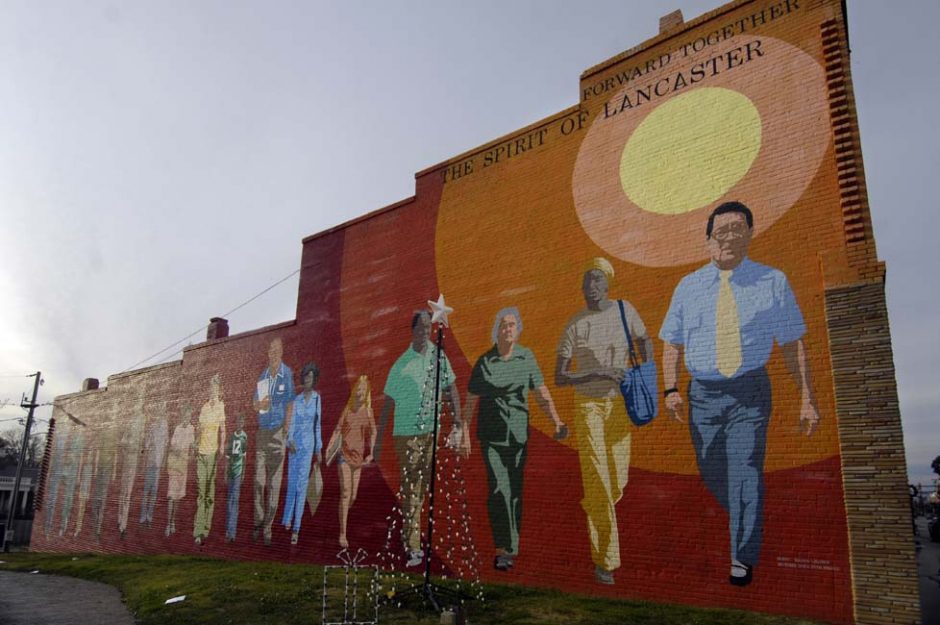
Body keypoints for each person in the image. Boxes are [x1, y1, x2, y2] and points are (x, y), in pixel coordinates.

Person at [660, 201, 819, 587]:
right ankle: (748, 516)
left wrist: (807, 398)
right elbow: (672, 344)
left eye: (737, 229)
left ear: (749, 234)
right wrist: (670, 388)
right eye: (721, 231)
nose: (729, 237)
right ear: (708, 240)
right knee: (713, 469)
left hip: (750, 391)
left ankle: (742, 557)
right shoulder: (688, 286)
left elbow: (792, 344)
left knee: (745, 470)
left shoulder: (772, 282)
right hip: (703, 395)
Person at [555, 257, 652, 585]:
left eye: (596, 280)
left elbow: (644, 340)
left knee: (616, 482)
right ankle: (605, 561)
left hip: (620, 405)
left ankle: (595, 501)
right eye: (586, 282)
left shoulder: (626, 311)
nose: (591, 286)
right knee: (598, 479)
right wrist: (597, 372)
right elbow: (560, 376)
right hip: (589, 408)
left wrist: (645, 372)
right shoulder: (575, 325)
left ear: (607, 283)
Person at [461, 307, 567, 571]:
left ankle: (512, 546)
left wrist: (556, 420)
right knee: (499, 489)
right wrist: (463, 432)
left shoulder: (526, 357)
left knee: (515, 493)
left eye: (512, 325)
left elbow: (541, 393)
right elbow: (470, 402)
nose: (508, 329)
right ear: (496, 330)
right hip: (492, 436)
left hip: (518, 434)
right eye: (503, 325)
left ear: (518, 331)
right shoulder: (485, 362)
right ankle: (502, 549)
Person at [375, 310, 462, 568]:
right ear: (413, 330)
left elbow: (451, 388)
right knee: (412, 488)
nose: (425, 331)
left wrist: (457, 421)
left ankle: (410, 536)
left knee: (421, 489)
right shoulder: (401, 364)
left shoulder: (439, 357)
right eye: (421, 327)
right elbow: (388, 405)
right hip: (406, 434)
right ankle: (412, 546)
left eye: (428, 327)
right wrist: (379, 441)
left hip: (429, 433)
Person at [252, 337, 295, 545]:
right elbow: (255, 405)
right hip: (262, 433)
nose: (274, 353)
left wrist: (286, 429)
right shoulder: (262, 377)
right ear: (268, 353)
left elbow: (290, 402)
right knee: (259, 481)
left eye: (278, 350)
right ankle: (259, 521)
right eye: (271, 350)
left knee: (274, 485)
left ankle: (267, 527)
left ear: (282, 352)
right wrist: (260, 403)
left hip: (278, 433)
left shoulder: (286, 374)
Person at [326, 375, 377, 549]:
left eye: (364, 389)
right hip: (344, 456)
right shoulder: (348, 409)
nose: (360, 392)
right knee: (346, 492)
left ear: (367, 392)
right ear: (356, 391)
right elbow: (338, 430)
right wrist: (330, 447)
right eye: (359, 389)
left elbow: (374, 432)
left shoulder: (368, 412)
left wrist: (372, 453)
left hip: (358, 459)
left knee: (353, 497)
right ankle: (342, 533)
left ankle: (342, 511)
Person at [282, 362, 322, 545]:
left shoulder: (316, 399)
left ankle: (296, 527)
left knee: (302, 485)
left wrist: (318, 449)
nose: (308, 380)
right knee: (291, 483)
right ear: (303, 378)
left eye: (311, 377)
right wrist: (289, 441)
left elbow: (317, 425)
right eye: (306, 376)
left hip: (308, 446)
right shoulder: (297, 400)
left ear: (314, 380)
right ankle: (286, 518)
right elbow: (291, 423)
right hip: (294, 446)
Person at [194, 374, 226, 545]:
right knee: (201, 492)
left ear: (219, 389)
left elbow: (223, 429)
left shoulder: (221, 406)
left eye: (216, 387)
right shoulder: (204, 407)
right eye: (211, 387)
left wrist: (221, 447)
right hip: (201, 452)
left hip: (213, 452)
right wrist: (195, 443)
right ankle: (198, 530)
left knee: (209, 494)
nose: (213, 389)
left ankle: (206, 528)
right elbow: (199, 429)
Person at [165, 405, 196, 538]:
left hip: (183, 468)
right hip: (174, 466)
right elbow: (174, 448)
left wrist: (191, 453)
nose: (186, 419)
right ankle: (167, 523)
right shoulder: (177, 428)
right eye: (185, 416)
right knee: (171, 496)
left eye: (188, 416)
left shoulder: (192, 429)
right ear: (182, 416)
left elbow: (192, 448)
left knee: (177, 498)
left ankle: (173, 522)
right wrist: (183, 453)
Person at [139, 402, 169, 527]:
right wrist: (144, 463)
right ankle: (142, 517)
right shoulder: (152, 426)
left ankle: (149, 518)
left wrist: (163, 463)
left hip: (157, 463)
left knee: (154, 493)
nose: (160, 412)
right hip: (150, 463)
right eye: (159, 410)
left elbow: (166, 445)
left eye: (162, 410)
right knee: (146, 491)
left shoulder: (165, 426)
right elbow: (146, 446)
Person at [224, 412, 249, 542]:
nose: (240, 424)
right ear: (235, 423)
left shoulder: (244, 437)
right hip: (231, 473)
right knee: (229, 502)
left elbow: (244, 458)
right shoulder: (231, 437)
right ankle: (228, 530)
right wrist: (225, 473)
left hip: (238, 473)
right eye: (238, 422)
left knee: (235, 501)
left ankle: (232, 533)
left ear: (243, 423)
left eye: (242, 422)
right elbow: (227, 458)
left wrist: (243, 472)